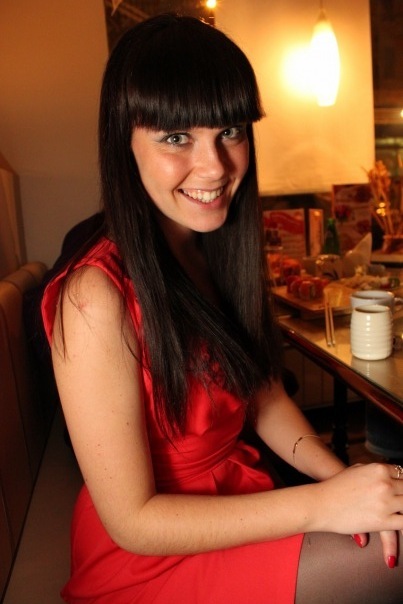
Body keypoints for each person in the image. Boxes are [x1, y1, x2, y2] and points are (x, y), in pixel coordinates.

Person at [41, 13, 403, 603]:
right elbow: (132, 521)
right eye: (176, 137)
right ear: (123, 141)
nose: (215, 167)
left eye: (230, 131)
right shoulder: (93, 297)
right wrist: (322, 504)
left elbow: (264, 398)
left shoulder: (212, 249)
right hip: (154, 555)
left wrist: (347, 482)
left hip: (240, 498)